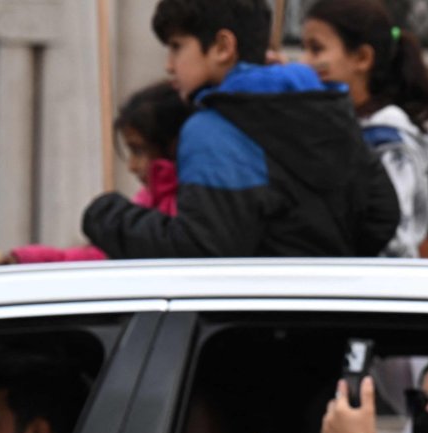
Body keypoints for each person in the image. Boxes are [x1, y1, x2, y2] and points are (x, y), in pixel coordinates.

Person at [80, 0, 400, 258]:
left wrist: (107, 216)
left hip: (247, 326)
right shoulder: (324, 105)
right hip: (328, 321)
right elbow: (381, 215)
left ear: (222, 47)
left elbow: (202, 247)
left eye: (177, 47)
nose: (169, 64)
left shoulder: (213, 129)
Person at [301, 0, 428, 258]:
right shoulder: (341, 125)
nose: (304, 61)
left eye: (316, 49)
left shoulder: (388, 141)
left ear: (362, 58)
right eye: (304, 48)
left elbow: (395, 240)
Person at [11, 81, 190, 264]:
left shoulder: (189, 206)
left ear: (172, 146)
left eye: (138, 151)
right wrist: (36, 259)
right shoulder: (147, 201)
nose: (132, 166)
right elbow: (102, 256)